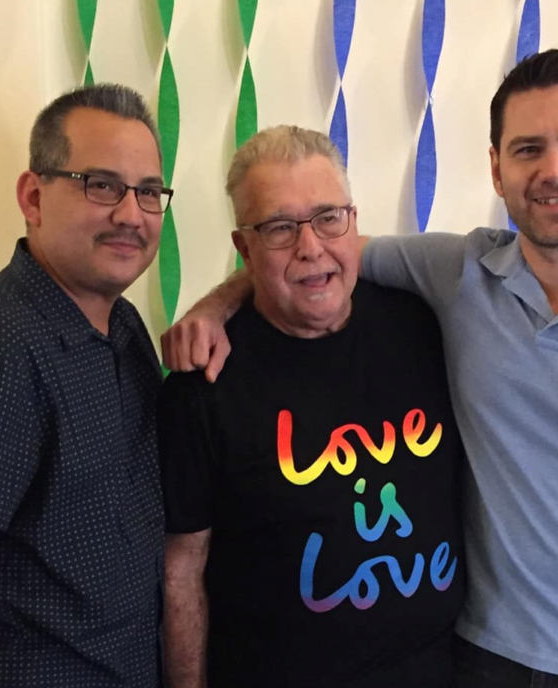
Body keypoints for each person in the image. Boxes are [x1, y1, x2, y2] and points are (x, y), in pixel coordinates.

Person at [161, 50, 558, 688]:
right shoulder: (459, 276)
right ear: (497, 170)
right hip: (476, 659)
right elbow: (312, 260)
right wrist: (214, 305)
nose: (554, 170)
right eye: (528, 149)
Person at [159, 125, 465, 688]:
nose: (311, 246)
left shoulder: (428, 323)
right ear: (244, 248)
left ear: (353, 222)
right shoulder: (204, 382)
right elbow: (182, 570)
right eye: (279, 227)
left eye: (328, 218)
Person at [0, 84, 171, 688]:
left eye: (149, 192)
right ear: (34, 196)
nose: (130, 213)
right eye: (101, 185)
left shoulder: (121, 325)